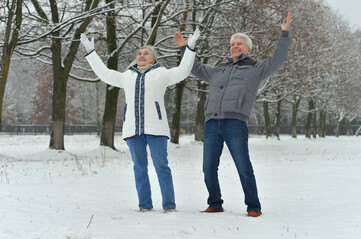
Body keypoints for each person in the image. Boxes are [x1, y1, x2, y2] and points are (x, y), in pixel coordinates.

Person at [174, 12, 292, 217]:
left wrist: (284, 34)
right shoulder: (219, 70)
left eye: (239, 44)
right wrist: (186, 48)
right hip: (212, 122)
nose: (235, 46)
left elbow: (277, 60)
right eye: (232, 44)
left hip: (235, 123)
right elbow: (195, 68)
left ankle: (253, 207)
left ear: (248, 49)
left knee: (243, 166)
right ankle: (215, 203)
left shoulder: (255, 69)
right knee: (208, 167)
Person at [80, 29, 200, 213]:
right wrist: (91, 52)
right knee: (139, 168)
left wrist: (189, 48)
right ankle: (144, 205)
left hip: (156, 128)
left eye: (146, 53)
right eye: (139, 53)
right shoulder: (127, 76)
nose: (141, 55)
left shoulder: (162, 74)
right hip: (133, 130)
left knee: (162, 167)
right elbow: (104, 73)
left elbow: (184, 71)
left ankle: (169, 205)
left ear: (153, 58)